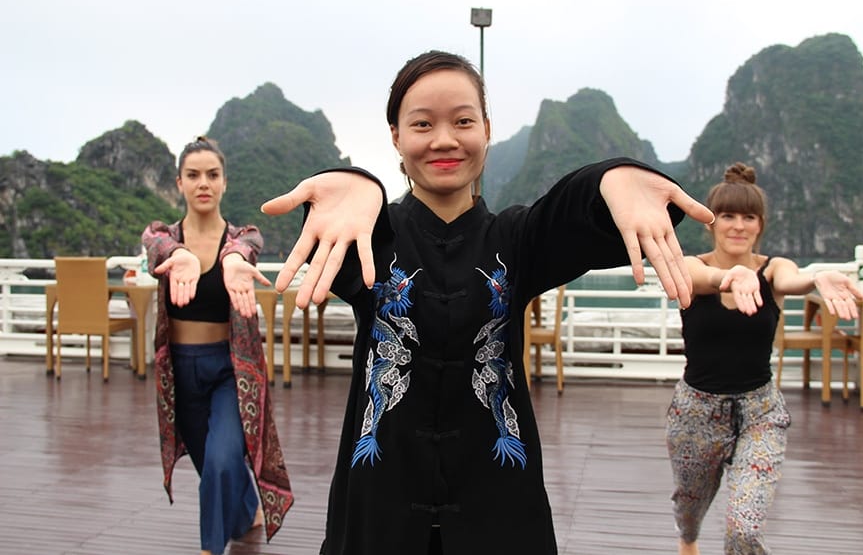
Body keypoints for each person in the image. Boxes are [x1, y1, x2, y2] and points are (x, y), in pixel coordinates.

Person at [260, 50, 714, 555]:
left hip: (498, 505)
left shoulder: (517, 239)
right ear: (395, 137)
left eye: (462, 121)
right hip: (380, 504)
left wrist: (612, 177)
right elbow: (331, 220)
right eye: (422, 124)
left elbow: (573, 213)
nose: (444, 140)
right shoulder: (372, 236)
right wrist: (358, 182)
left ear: (487, 129)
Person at [666, 162, 861, 555]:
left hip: (761, 413)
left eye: (749, 217)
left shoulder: (775, 270)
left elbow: (793, 279)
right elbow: (697, 280)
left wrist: (817, 277)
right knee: (689, 506)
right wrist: (731, 277)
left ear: (760, 224)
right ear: (711, 222)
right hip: (695, 412)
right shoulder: (691, 267)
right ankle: (687, 542)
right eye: (728, 216)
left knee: (744, 529)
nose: (738, 226)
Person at [142, 136, 294, 555]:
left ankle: (211, 548)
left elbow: (248, 244)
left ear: (225, 182)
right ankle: (247, 511)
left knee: (223, 461)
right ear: (179, 183)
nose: (203, 183)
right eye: (193, 175)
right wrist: (181, 254)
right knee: (208, 461)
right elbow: (153, 243)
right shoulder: (164, 239)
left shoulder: (241, 239)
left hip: (229, 369)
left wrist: (232, 259)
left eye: (212, 174)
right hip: (181, 370)